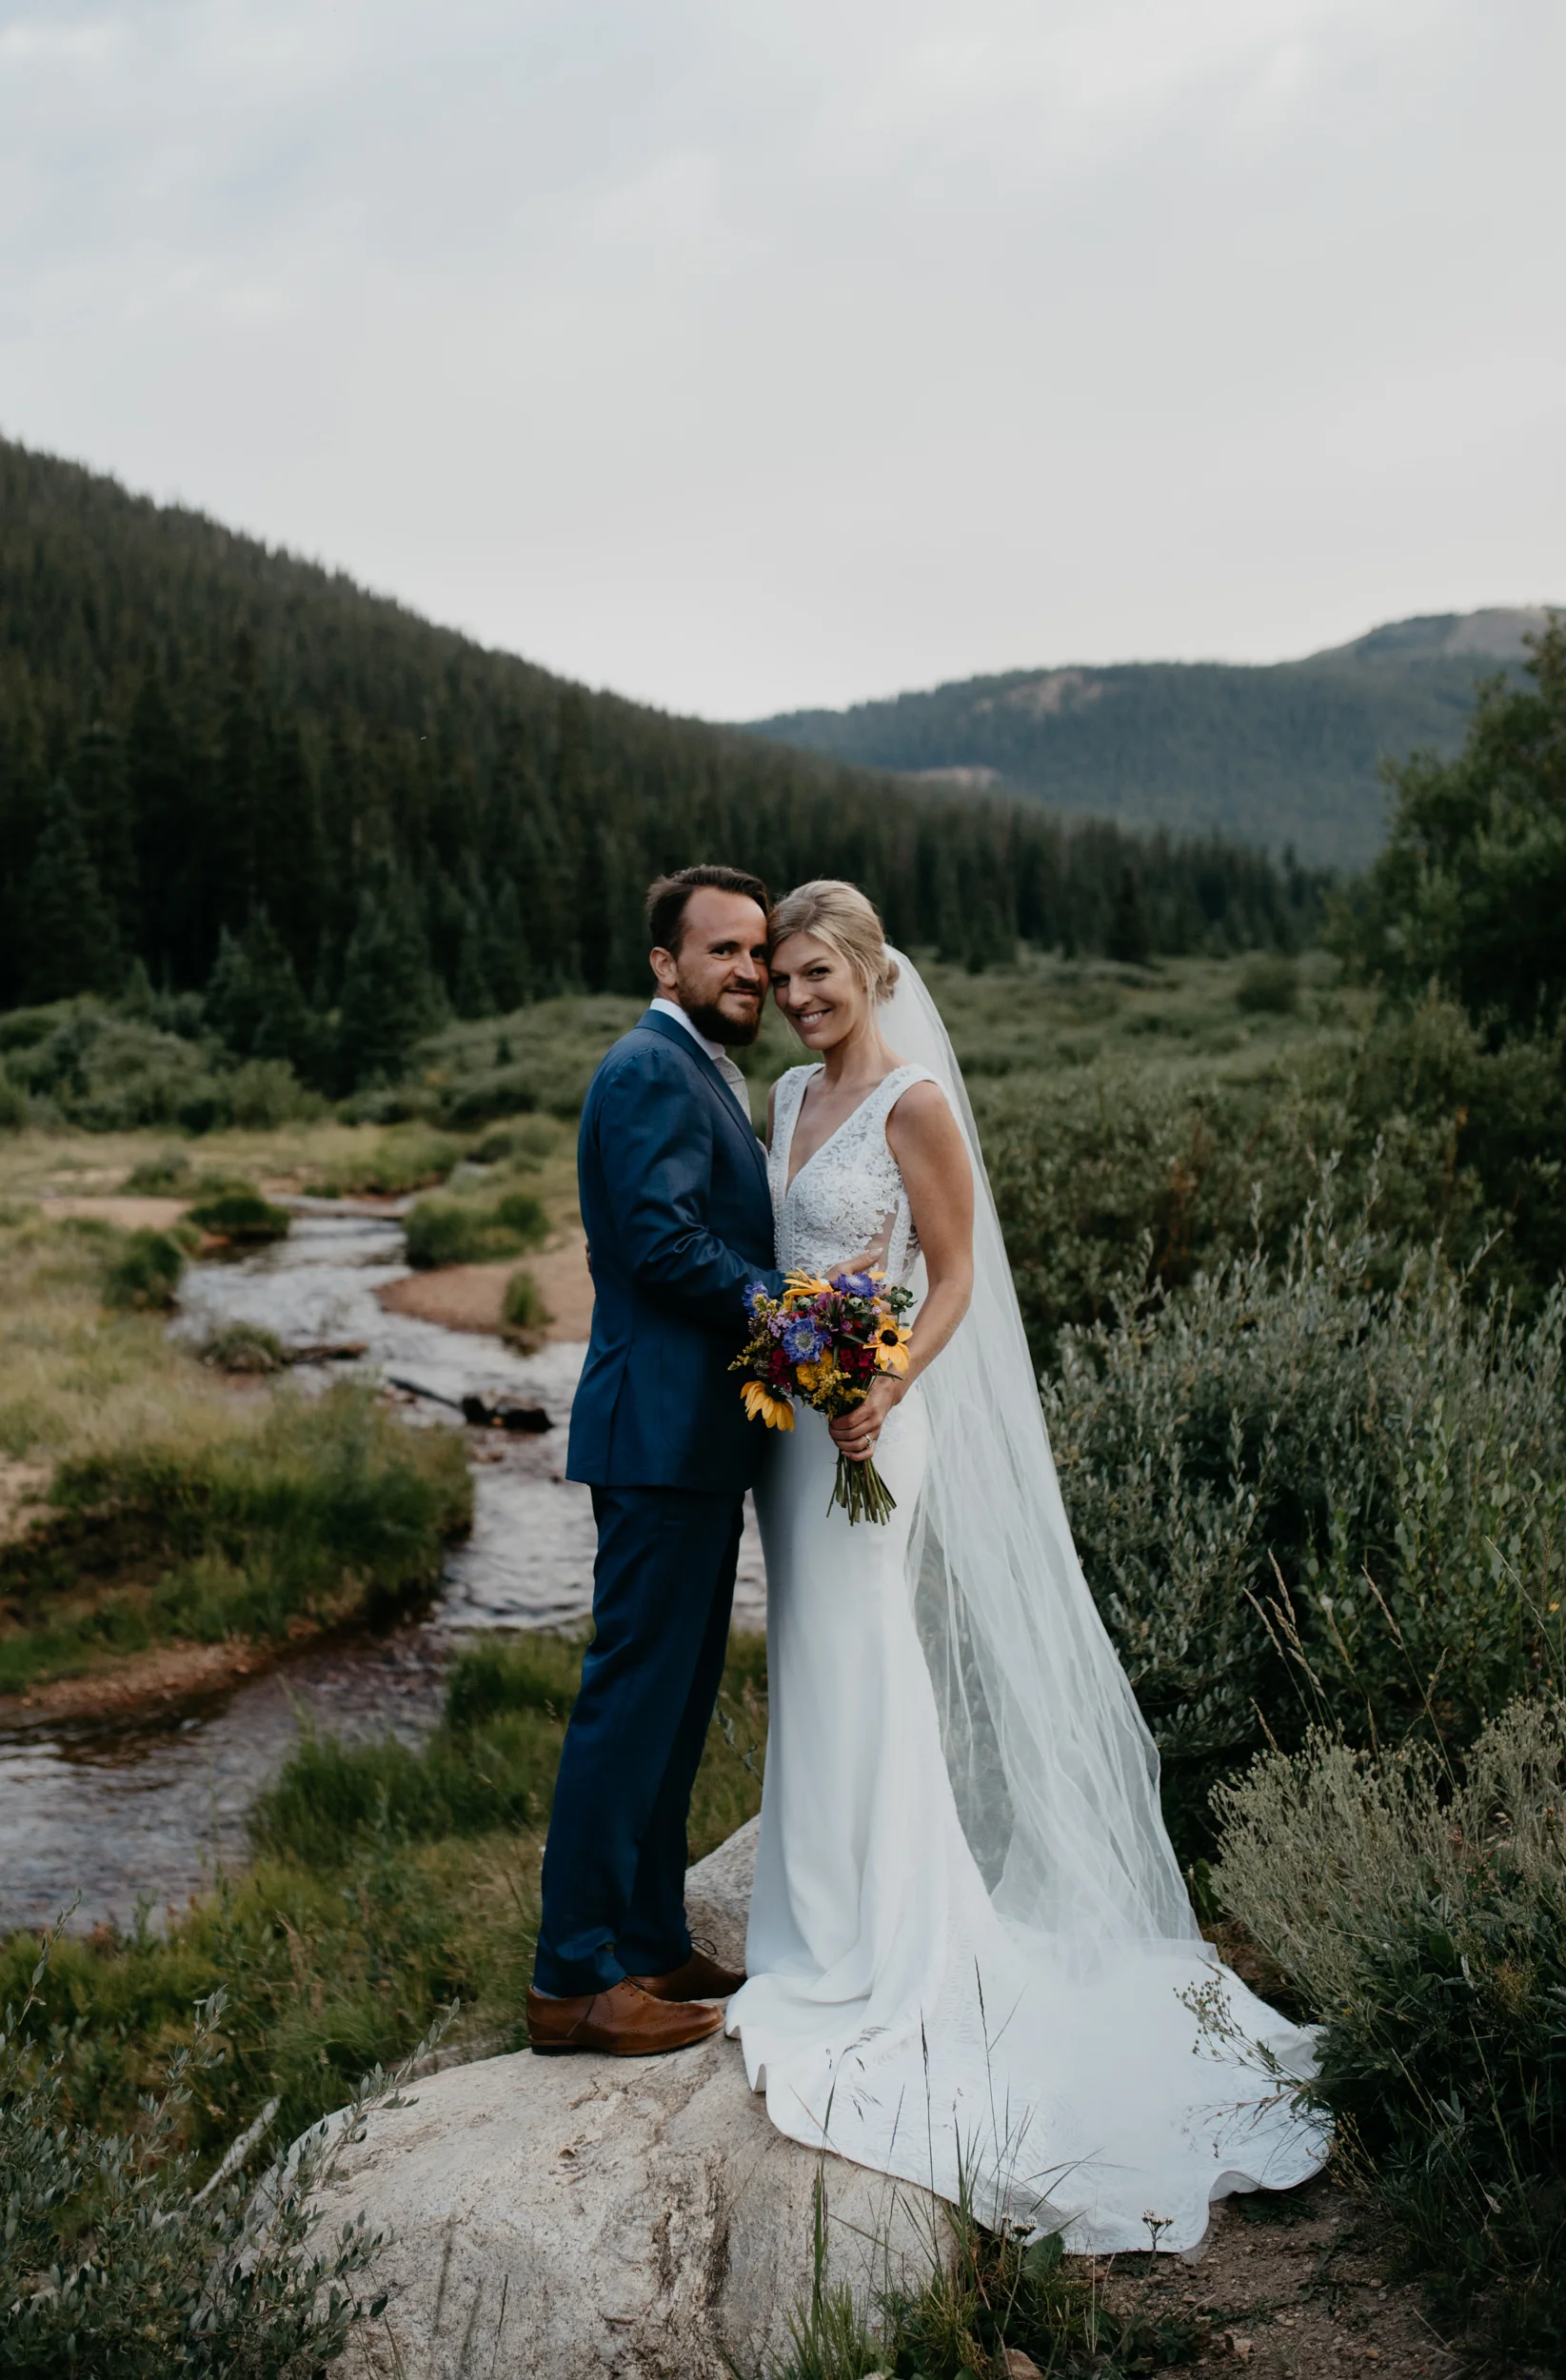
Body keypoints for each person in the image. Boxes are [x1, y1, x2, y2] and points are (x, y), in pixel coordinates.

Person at [724, 879, 1330, 2251]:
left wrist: (879, 1378)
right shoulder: (782, 1101)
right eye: (783, 975)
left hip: (876, 1416)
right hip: (800, 1426)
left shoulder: (911, 1105)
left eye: (818, 972)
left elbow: (953, 1281)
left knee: (866, 1656)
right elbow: (788, 1256)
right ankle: (813, 1934)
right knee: (813, 1665)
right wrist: (802, 1356)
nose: (800, 995)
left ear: (871, 972)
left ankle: (890, 1955)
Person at [527, 864, 787, 2055]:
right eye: (722, 950)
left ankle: (644, 1938)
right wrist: (787, 1314)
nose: (746, 969)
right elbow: (660, 1240)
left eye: (757, 952)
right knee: (629, 1699)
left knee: (676, 1702)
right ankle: (573, 1976)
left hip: (695, 1435)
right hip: (656, 1431)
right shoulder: (645, 1069)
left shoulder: (700, 1069)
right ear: (664, 964)